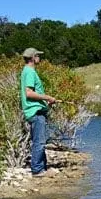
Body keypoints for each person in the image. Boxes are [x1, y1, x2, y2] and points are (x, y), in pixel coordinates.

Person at [20, 47, 59, 176]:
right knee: (40, 142)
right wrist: (47, 97)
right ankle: (37, 170)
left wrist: (44, 102)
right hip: (35, 113)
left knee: (39, 141)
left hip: (35, 111)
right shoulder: (30, 72)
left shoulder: (26, 71)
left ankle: (42, 168)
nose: (39, 58)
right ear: (33, 58)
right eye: (38, 55)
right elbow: (29, 93)